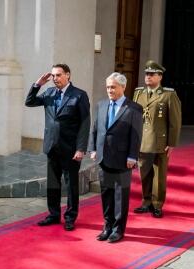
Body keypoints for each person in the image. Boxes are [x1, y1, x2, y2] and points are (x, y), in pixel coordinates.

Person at [25, 64, 90, 231]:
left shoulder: (79, 95)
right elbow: (29, 102)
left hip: (70, 149)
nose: (55, 78)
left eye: (58, 75)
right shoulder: (49, 93)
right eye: (53, 75)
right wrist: (37, 84)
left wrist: (81, 148)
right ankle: (53, 215)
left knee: (71, 186)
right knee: (53, 184)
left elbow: (85, 123)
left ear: (68, 75)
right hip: (52, 147)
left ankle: (70, 217)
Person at [88, 73, 143, 243]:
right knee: (106, 194)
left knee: (120, 196)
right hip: (103, 158)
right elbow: (95, 129)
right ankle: (107, 225)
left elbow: (136, 135)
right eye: (108, 87)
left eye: (113, 87)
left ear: (123, 87)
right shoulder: (101, 104)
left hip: (122, 160)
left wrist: (133, 156)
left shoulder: (134, 108)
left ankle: (118, 229)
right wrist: (93, 149)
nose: (109, 90)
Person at [132, 60, 182, 218]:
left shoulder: (168, 95)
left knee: (159, 175)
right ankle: (146, 202)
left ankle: (157, 204)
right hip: (142, 140)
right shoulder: (139, 93)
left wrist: (172, 143)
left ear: (160, 77)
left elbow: (175, 121)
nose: (148, 77)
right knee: (144, 173)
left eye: (152, 74)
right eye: (146, 74)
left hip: (160, 141)